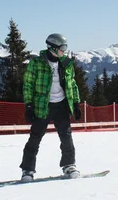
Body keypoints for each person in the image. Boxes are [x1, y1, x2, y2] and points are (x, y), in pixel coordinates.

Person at [19, 33, 82, 182]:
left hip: (61, 105)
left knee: (66, 137)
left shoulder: (66, 63)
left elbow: (72, 84)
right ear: (53, 48)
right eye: (62, 48)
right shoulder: (37, 63)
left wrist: (76, 104)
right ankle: (27, 170)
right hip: (42, 106)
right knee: (35, 138)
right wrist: (28, 106)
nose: (64, 51)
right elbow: (27, 85)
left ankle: (69, 165)